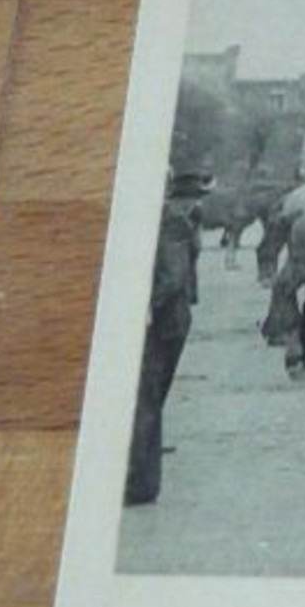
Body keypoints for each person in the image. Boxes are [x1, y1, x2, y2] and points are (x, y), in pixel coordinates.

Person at [124, 170, 210, 506]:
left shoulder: (170, 221)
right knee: (148, 396)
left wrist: (143, 304)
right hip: (168, 317)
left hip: (164, 320)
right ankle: (141, 472)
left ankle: (140, 483)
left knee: (146, 395)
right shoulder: (169, 218)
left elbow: (173, 278)